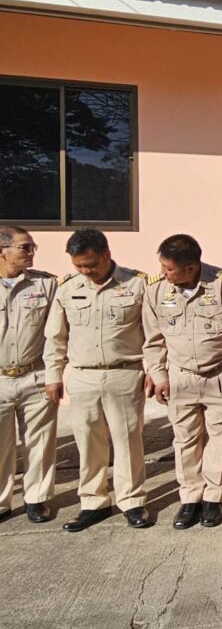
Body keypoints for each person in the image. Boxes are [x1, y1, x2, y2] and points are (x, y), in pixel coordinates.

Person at [43, 229, 151, 531]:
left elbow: (153, 333)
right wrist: (53, 375)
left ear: (106, 254)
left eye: (90, 264)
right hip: (83, 376)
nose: (86, 271)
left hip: (124, 373)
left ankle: (131, 501)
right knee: (88, 441)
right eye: (79, 266)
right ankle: (94, 502)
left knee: (128, 440)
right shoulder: (68, 288)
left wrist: (155, 370)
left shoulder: (137, 284)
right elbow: (56, 337)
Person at [142, 234, 222, 529]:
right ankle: (190, 497)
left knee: (221, 438)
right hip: (180, 377)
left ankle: (214, 497)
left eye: (169, 269)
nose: (164, 273)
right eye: (162, 267)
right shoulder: (156, 290)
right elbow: (153, 338)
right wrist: (159, 375)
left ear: (190, 268)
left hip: (220, 375)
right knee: (185, 439)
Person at [0, 227, 57, 524]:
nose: (32, 252)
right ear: (2, 251)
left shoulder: (46, 285)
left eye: (32, 247)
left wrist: (54, 373)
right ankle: (2, 501)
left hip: (34, 374)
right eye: (25, 247)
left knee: (40, 441)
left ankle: (37, 498)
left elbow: (57, 333)